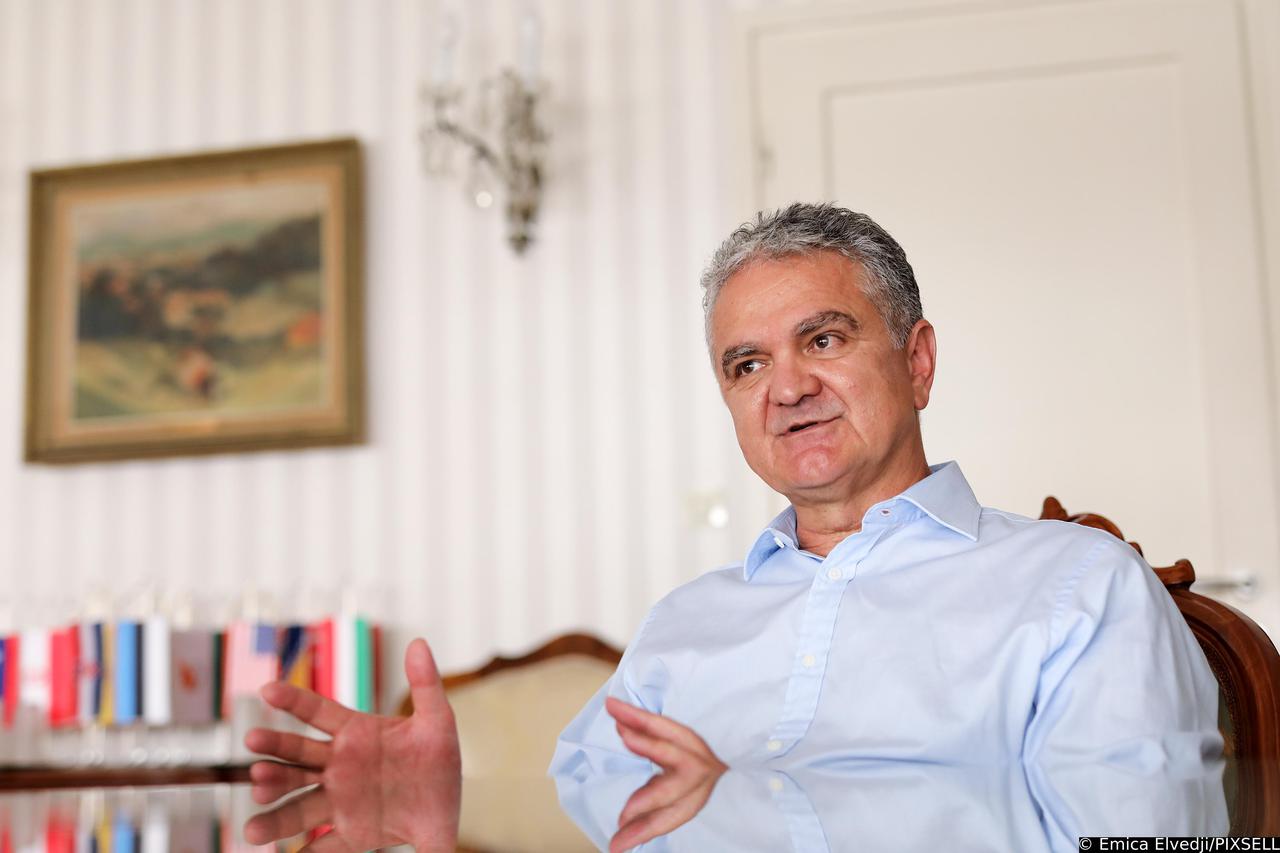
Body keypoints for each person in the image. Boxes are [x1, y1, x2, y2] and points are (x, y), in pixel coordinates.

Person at [244, 204, 1222, 852]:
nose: (785, 387)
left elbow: (1150, 831)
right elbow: (593, 820)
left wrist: (741, 796)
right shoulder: (683, 624)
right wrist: (452, 797)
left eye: (822, 338)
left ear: (916, 362)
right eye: (745, 364)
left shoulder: (1078, 586)